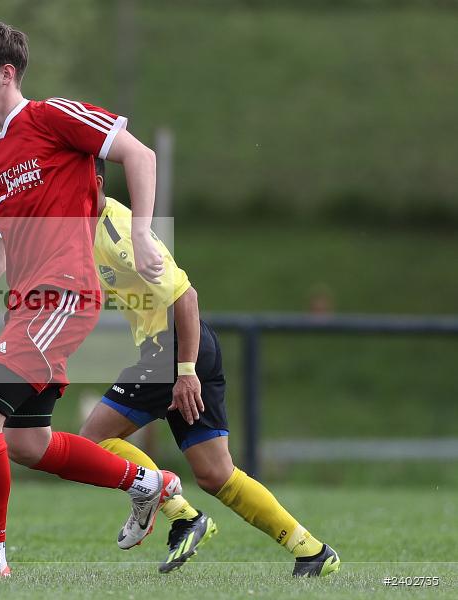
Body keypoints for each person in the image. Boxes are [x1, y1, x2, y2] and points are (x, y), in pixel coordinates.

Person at [0, 21, 182, 579]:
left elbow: (139, 155)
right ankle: (150, 483)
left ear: (7, 73)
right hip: (27, 306)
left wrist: (143, 233)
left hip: (64, 294)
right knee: (27, 443)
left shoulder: (52, 117)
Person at [80, 158, 341, 577]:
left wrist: (185, 371)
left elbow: (186, 296)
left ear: (94, 183)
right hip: (191, 347)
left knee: (92, 441)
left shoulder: (119, 232)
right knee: (216, 474)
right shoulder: (84, 228)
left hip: (172, 351)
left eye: (65, 180)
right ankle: (311, 551)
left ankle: (179, 511)